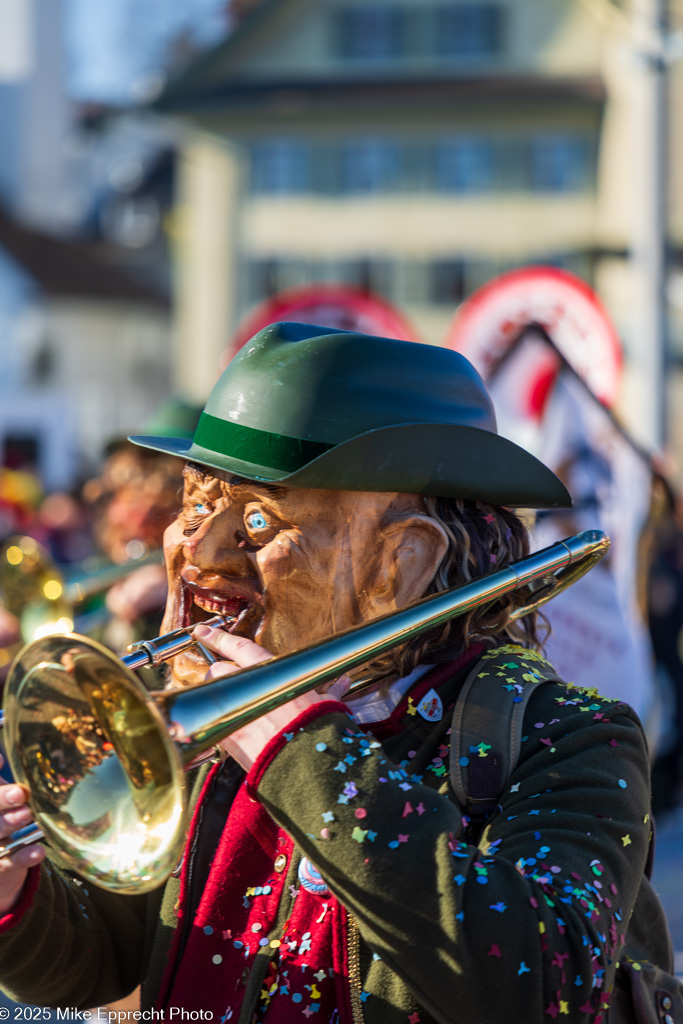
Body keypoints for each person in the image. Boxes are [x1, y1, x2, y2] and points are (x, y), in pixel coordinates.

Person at [0, 323, 651, 1023]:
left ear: (401, 563)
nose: (197, 549)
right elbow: (105, 954)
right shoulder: (195, 717)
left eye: (255, 520)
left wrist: (304, 754)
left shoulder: (572, 736)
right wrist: (18, 901)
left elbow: (540, 987)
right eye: (195, 503)